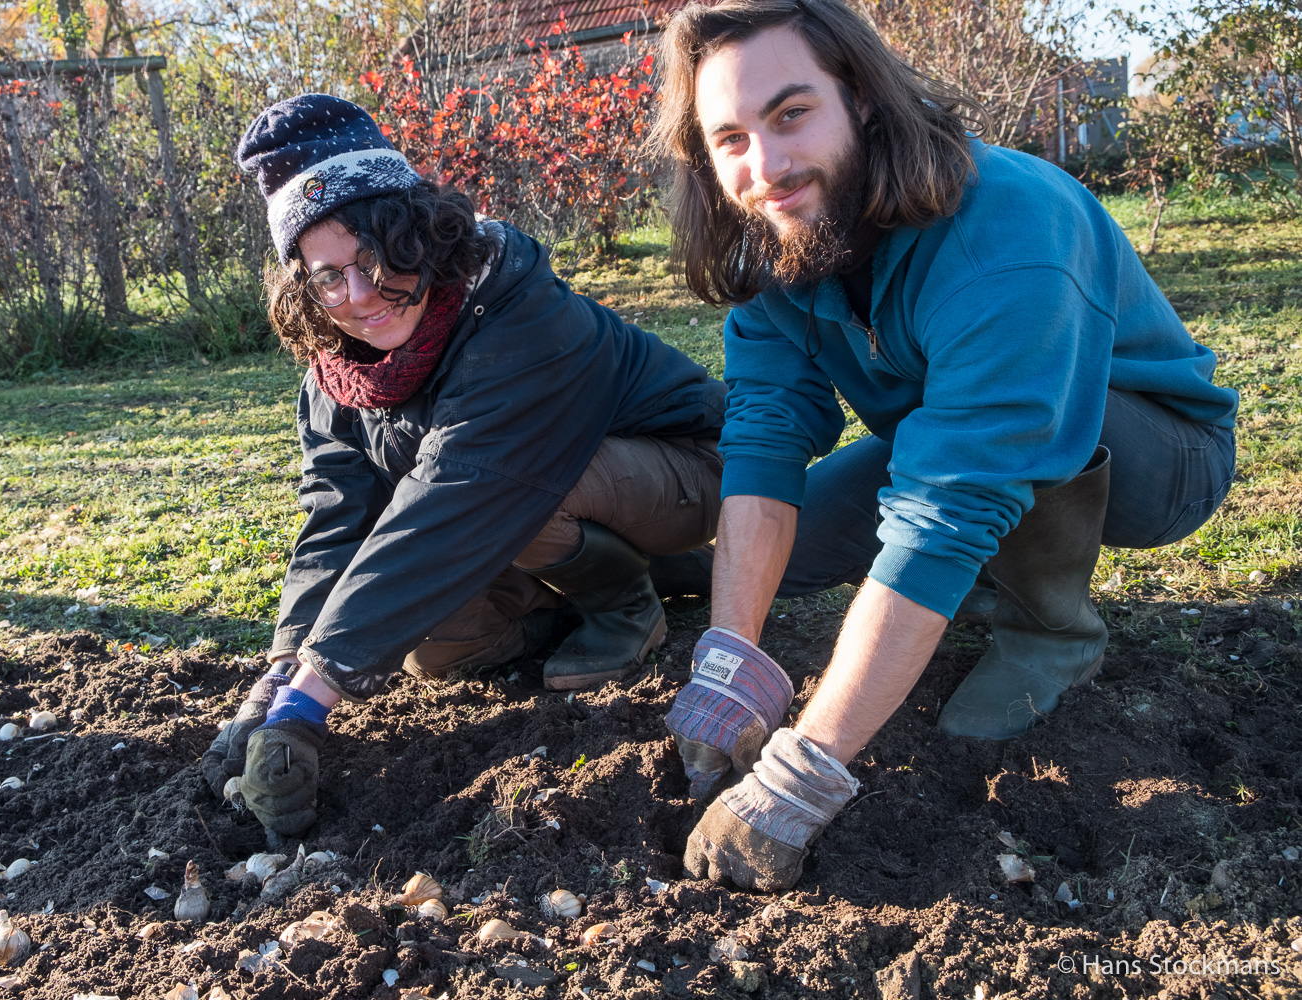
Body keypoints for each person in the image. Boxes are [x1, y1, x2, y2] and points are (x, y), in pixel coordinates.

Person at [653, 0, 1239, 890]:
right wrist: (733, 654)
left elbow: (952, 500)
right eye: (729, 137)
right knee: (799, 548)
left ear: (862, 98)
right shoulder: (779, 246)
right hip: (951, 440)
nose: (765, 167)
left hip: (1158, 455)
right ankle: (961, 593)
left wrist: (803, 770)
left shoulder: (1008, 227)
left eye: (791, 114)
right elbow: (767, 443)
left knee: (978, 478)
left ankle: (1052, 630)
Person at [200, 94, 727, 838]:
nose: (359, 297)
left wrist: (312, 699)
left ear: (421, 232)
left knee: (521, 490)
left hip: (687, 470)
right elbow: (336, 522)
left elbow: (462, 487)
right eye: (327, 276)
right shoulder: (335, 379)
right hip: (517, 501)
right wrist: (280, 673)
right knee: (434, 646)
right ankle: (610, 586)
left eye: (376, 257)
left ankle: (626, 605)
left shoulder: (517, 311)